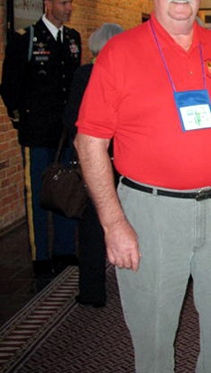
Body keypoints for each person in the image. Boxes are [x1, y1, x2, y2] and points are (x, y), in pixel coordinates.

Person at [75, 0, 211, 373]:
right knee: (153, 337)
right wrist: (114, 223)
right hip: (150, 212)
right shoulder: (118, 53)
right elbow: (89, 142)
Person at [1, 0, 81, 277]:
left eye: (70, 3)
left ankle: (64, 249)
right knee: (38, 193)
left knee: (67, 190)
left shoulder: (72, 38)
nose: (68, 8)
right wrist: (22, 121)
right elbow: (9, 87)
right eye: (63, 3)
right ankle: (41, 255)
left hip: (66, 133)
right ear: (48, 5)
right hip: (37, 133)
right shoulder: (27, 38)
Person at [63, 23, 124, 307]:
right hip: (125, 159)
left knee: (92, 224)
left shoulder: (84, 74)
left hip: (94, 160)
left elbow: (70, 120)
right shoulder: (127, 72)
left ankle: (91, 290)